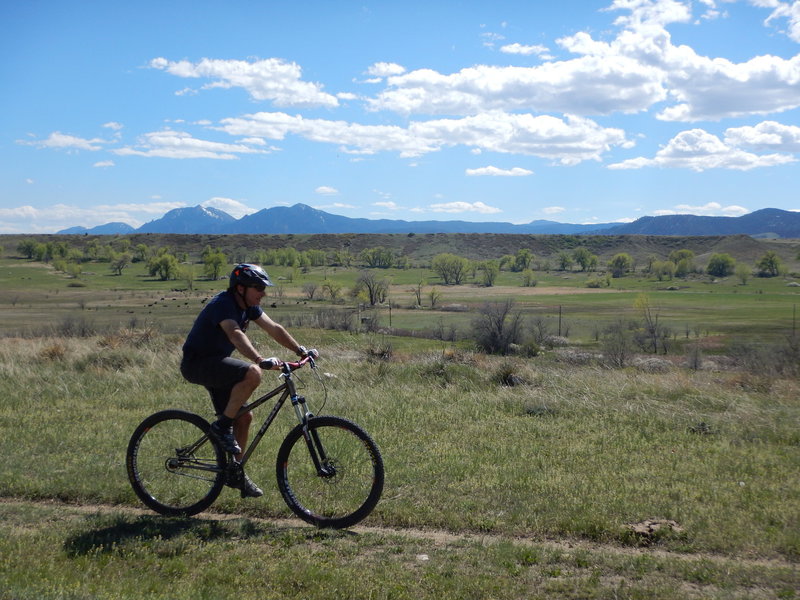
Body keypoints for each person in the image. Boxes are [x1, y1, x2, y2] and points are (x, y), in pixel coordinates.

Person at [180, 263, 316, 498]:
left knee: (244, 417)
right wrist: (259, 359)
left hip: (218, 366)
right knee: (253, 373)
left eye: (264, 288)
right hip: (198, 364)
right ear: (240, 288)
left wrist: (300, 351)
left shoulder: (249, 306)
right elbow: (235, 334)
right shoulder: (223, 304)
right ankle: (222, 427)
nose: (263, 292)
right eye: (258, 287)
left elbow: (274, 328)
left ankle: (235, 472)